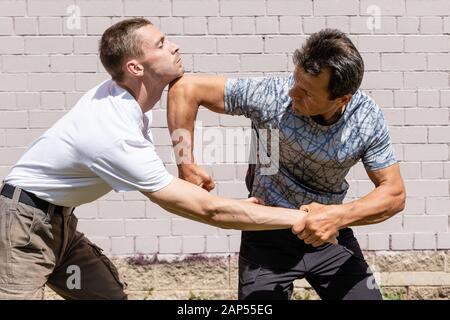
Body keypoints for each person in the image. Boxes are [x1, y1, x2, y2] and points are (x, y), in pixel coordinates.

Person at [0, 18, 310, 300]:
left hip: (56, 222)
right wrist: (301, 218)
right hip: (22, 228)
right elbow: (206, 210)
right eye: (161, 44)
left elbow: (172, 187)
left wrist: (197, 176)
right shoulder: (112, 130)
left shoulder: (123, 100)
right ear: (135, 67)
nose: (174, 46)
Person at [167, 29, 406, 300]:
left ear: (342, 100)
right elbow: (185, 89)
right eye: (295, 80)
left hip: (327, 235)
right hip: (265, 234)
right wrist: (186, 164)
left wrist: (337, 217)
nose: (293, 93)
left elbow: (394, 194)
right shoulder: (273, 95)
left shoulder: (366, 118)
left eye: (306, 92)